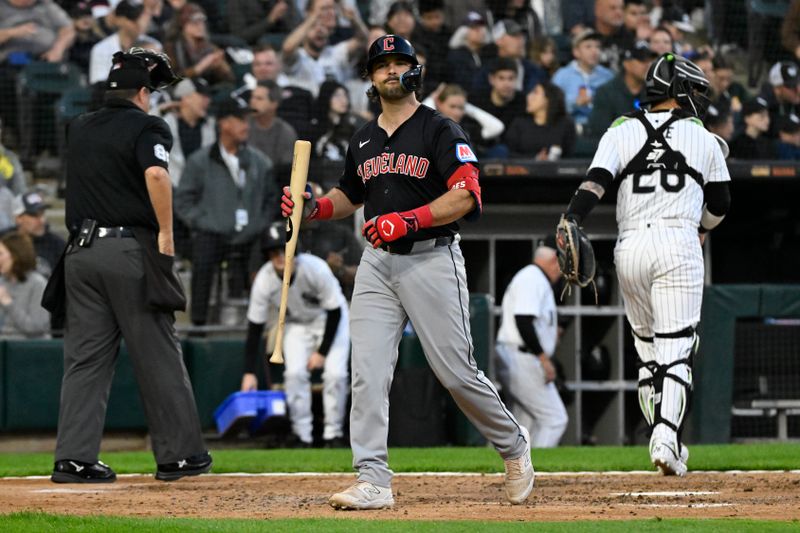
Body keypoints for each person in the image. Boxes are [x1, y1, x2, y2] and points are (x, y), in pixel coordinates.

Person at [281, 34, 533, 510]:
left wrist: (411, 218)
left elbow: (468, 194)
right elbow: (348, 197)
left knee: (456, 372)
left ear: (415, 71)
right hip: (378, 264)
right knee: (368, 371)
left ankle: (514, 446)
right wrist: (311, 209)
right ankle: (373, 477)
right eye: (382, 66)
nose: (391, 71)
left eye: (400, 63)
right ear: (370, 78)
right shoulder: (363, 137)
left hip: (431, 256)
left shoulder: (439, 129)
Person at [558, 53, 731, 476]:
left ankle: (661, 432)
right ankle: (666, 437)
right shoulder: (704, 137)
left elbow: (595, 183)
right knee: (678, 348)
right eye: (692, 90)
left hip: (629, 244)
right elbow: (721, 204)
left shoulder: (621, 129)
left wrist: (571, 219)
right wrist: (703, 228)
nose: (697, 99)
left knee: (648, 351)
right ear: (677, 92)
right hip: (677, 241)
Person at [51, 48, 211, 483]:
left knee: (85, 360)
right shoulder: (148, 125)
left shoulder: (79, 126)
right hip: (128, 252)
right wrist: (166, 234)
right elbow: (156, 175)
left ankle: (74, 459)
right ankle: (179, 456)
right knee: (157, 352)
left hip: (79, 254)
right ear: (143, 92)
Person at [241, 223, 350, 448]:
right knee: (294, 374)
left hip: (329, 320)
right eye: (274, 252)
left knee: (335, 375)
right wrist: (249, 372)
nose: (280, 257)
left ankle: (333, 434)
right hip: (296, 324)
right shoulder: (264, 280)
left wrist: (322, 352)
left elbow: (335, 311)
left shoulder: (316, 268)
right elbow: (254, 327)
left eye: (284, 250)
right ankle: (303, 435)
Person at [175, 94, 278, 328]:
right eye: (240, 119)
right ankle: (199, 326)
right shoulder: (200, 161)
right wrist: (203, 221)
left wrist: (259, 224)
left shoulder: (259, 162)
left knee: (267, 248)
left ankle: (259, 325)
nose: (246, 125)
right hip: (213, 233)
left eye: (246, 119)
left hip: (251, 235)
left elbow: (272, 200)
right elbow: (182, 201)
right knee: (203, 251)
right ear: (223, 123)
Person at [495, 238, 568, 448]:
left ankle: (521, 473)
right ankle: (538, 474)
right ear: (554, 259)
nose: (562, 270)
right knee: (555, 419)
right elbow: (523, 320)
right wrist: (544, 359)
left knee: (524, 425)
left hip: (518, 355)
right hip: (522, 357)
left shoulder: (534, 278)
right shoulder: (533, 277)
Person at [587, 40, 656, 138]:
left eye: (650, 60)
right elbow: (600, 131)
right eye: (642, 61)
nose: (647, 65)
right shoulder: (606, 92)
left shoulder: (656, 92)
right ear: (626, 64)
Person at [551, 29, 615, 130]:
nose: (595, 51)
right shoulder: (562, 76)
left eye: (598, 47)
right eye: (588, 47)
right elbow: (552, 107)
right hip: (571, 128)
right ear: (576, 52)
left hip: (603, 129)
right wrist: (575, 104)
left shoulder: (608, 76)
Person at [163, 3, 233, 88]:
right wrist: (201, 66)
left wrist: (220, 66)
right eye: (195, 22)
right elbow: (174, 80)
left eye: (202, 22)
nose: (200, 26)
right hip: (184, 92)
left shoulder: (209, 46)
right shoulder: (171, 47)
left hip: (207, 88)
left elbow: (230, 78)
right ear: (184, 25)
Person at [505, 81, 575, 159]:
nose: (529, 96)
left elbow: (569, 156)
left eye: (535, 92)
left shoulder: (565, 124)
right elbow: (510, 154)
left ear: (548, 99)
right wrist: (535, 159)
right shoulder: (519, 123)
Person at [0, 231, 50, 338]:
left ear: (15, 255)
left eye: (1, 254)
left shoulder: (37, 284)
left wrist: (8, 303)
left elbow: (37, 328)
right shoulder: (2, 282)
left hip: (28, 350)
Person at [248, 79, 298, 183]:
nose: (252, 101)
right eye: (252, 97)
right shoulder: (243, 126)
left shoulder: (286, 132)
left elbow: (285, 170)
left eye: (259, 98)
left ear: (274, 104)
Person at [8, 191, 66, 278]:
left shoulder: (58, 245)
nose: (41, 220)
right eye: (34, 215)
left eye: (42, 214)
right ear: (18, 218)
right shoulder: (6, 243)